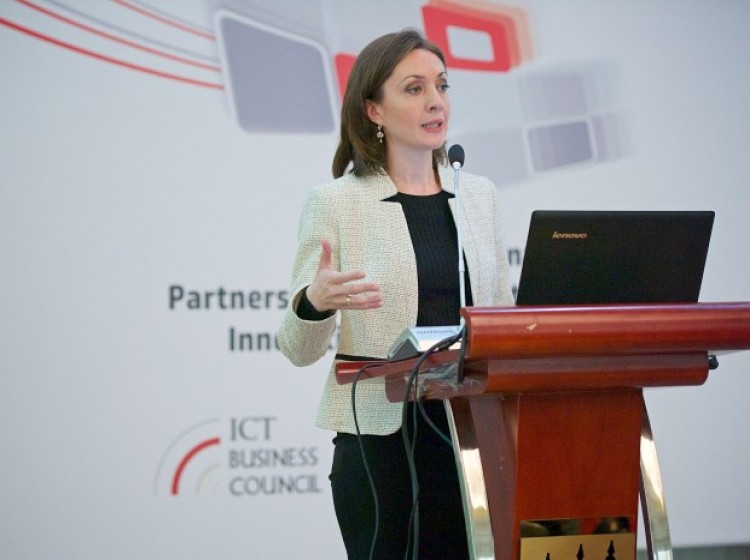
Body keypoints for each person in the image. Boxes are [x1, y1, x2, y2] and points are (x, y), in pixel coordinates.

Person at [277, 28, 513, 559]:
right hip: (381, 444)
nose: (436, 101)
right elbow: (297, 348)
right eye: (414, 88)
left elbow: (501, 317)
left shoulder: (478, 195)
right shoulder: (335, 203)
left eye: (442, 86)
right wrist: (314, 302)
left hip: (474, 434)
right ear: (374, 111)